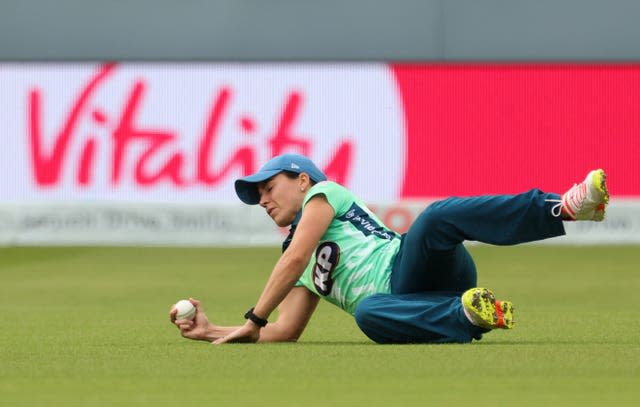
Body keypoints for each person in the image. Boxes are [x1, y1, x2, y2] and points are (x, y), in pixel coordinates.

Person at [170, 153, 609, 344]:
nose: (263, 200)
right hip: (409, 307)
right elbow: (284, 332)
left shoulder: (323, 194)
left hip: (412, 265)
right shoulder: (294, 264)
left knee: (436, 218)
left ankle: (564, 209)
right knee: (369, 313)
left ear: (302, 180)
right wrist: (211, 331)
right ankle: (471, 315)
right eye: (258, 195)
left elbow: (297, 256)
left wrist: (253, 316)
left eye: (269, 188)